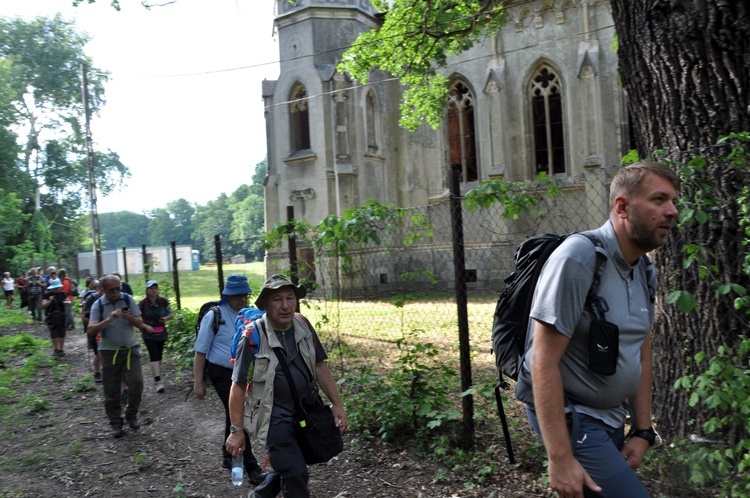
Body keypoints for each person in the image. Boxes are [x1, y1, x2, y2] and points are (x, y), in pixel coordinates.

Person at [519, 162, 679, 498]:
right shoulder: (578, 258)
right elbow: (542, 361)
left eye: (673, 201)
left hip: (611, 416)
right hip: (574, 417)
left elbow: (640, 349)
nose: (672, 211)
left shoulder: (643, 267)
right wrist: (559, 458)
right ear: (622, 207)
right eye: (659, 200)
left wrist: (643, 430)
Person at [225, 274, 348, 498]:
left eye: (290, 298)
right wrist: (237, 430)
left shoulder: (303, 325)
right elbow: (238, 386)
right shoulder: (252, 336)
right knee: (295, 472)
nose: (285, 306)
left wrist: (337, 404)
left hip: (305, 412)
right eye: (277, 299)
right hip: (272, 418)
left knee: (284, 467)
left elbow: (320, 366)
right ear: (265, 304)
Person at [193, 274, 266, 484]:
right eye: (237, 296)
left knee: (232, 412)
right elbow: (200, 351)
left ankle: (228, 455)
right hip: (220, 372)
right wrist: (198, 382)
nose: (241, 299)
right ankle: (252, 468)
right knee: (239, 414)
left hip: (242, 373)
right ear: (227, 296)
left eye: (244, 295)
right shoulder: (215, 315)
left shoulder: (249, 315)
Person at [86, 274, 144, 438]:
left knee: (137, 383)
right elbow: (91, 330)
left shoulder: (127, 299)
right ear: (103, 290)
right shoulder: (99, 304)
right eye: (112, 290)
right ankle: (116, 423)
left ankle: (131, 415)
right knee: (111, 390)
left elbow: (140, 322)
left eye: (118, 288)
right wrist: (109, 319)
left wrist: (129, 318)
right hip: (109, 351)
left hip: (130, 348)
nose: (116, 292)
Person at [138, 280, 173, 393]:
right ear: (147, 291)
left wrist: (165, 318)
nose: (153, 290)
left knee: (159, 356)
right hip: (148, 333)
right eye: (150, 288)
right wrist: (145, 326)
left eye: (155, 288)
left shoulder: (163, 301)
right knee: (154, 355)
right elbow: (137, 319)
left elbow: (170, 313)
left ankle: (157, 374)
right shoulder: (143, 303)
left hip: (161, 332)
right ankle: (157, 381)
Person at [81, 280, 103, 383]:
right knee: (98, 353)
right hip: (95, 330)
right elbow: (83, 315)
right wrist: (93, 325)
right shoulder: (91, 298)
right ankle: (97, 372)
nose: (99, 288)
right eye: (97, 287)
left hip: (106, 330)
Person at [42, 278, 68, 357]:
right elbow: (43, 305)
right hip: (51, 317)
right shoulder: (47, 294)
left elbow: (68, 302)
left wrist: (66, 302)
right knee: (54, 333)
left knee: (61, 333)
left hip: (61, 316)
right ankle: (56, 349)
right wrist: (50, 301)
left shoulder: (62, 293)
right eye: (55, 288)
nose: (56, 289)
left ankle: (61, 349)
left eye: (57, 288)